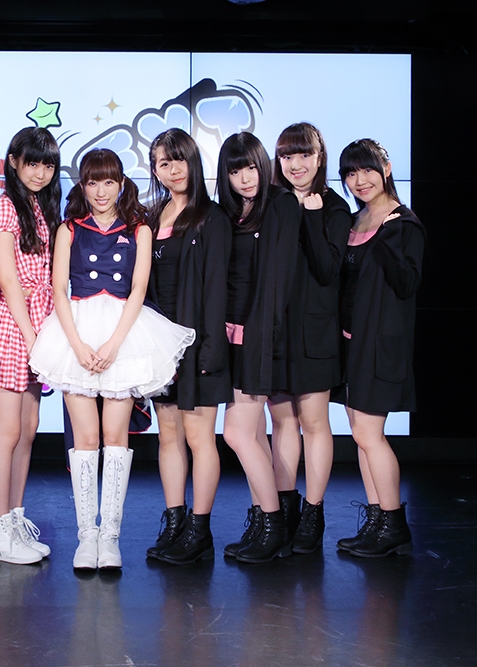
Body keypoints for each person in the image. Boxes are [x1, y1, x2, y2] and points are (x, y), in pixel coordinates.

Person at [29, 148, 195, 570]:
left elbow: (138, 289)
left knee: (115, 437)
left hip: (125, 333)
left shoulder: (138, 229)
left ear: (121, 183)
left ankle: (111, 538)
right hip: (76, 333)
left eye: (108, 182)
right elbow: (59, 289)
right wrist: (77, 344)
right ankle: (87, 538)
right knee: (85, 439)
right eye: (92, 182)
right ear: (82, 186)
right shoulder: (68, 229)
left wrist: (115, 344)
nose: (101, 191)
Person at [144, 128, 232, 565]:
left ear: (193, 161)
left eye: (178, 159)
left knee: (200, 439)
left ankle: (200, 530)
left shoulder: (212, 218)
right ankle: (175, 521)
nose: (173, 169)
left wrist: (211, 352)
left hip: (200, 346)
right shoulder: (151, 216)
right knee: (169, 437)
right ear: (155, 170)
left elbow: (216, 290)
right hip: (160, 346)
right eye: (164, 162)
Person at [335, 139, 423, 558]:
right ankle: (377, 521)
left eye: (367, 169)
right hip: (350, 345)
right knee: (360, 435)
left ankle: (393, 524)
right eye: (351, 173)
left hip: (379, 347)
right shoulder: (354, 221)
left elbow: (407, 284)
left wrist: (386, 236)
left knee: (370, 435)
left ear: (386, 168)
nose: (360, 180)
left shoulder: (404, 225)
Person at [217, 132, 302, 564]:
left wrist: (260, 336)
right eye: (235, 171)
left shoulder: (281, 204)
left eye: (250, 167)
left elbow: (278, 279)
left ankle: (273, 523)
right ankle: (264, 522)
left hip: (260, 335)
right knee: (250, 434)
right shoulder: (232, 211)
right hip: (230, 334)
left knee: (235, 433)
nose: (245, 178)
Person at [270, 122, 352, 554]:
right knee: (281, 421)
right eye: (287, 156)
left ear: (320, 158)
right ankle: (284, 508)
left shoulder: (335, 208)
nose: (296, 164)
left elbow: (326, 269)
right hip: (275, 330)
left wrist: (313, 215)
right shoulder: (273, 202)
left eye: (304, 155)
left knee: (314, 423)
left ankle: (313, 513)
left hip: (316, 331)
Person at [0, 127, 62, 564]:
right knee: (8, 431)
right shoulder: (4, 207)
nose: (40, 172)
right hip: (14, 324)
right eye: (32, 163)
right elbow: (8, 278)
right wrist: (32, 335)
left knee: (28, 430)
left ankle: (13, 518)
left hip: (41, 322)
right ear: (12, 162)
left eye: (48, 165)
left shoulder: (41, 206)